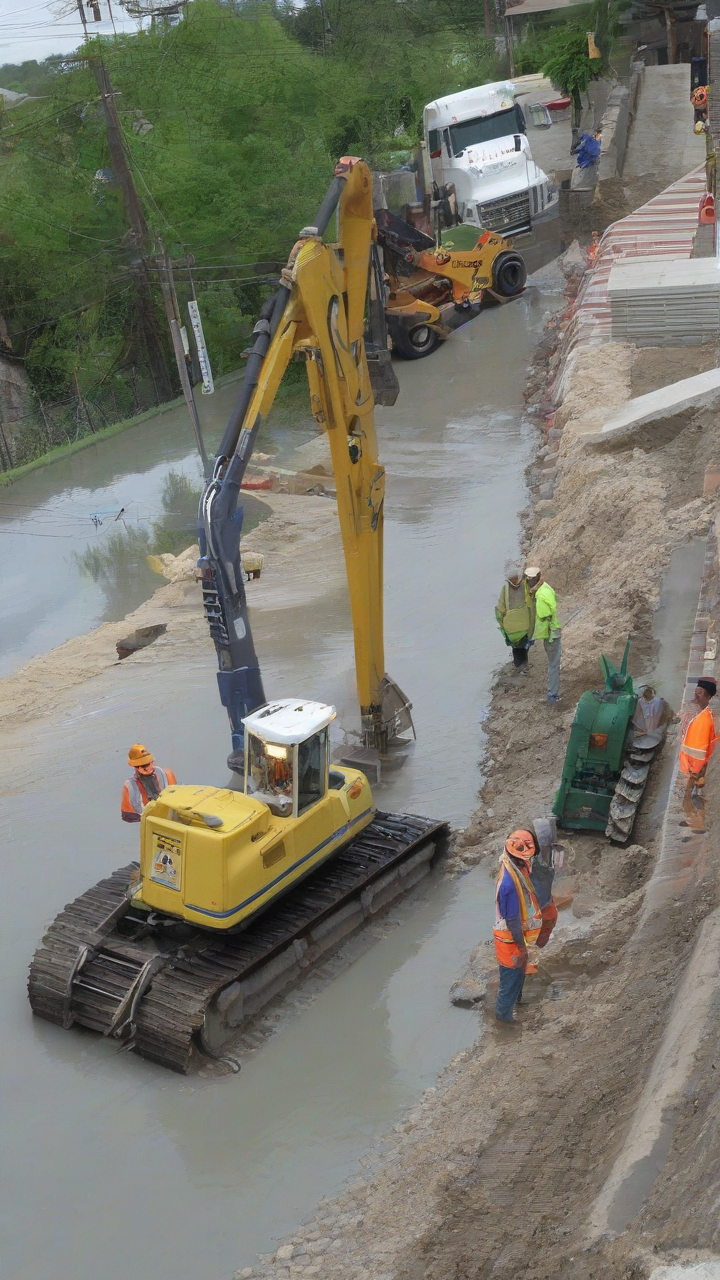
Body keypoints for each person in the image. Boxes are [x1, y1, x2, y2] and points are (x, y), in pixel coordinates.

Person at [493, 830, 543, 1024]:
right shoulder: (509, 884)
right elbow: (513, 920)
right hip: (512, 943)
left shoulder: (515, 867)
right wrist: (522, 948)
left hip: (518, 938)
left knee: (518, 976)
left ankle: (517, 1002)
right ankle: (504, 1020)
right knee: (510, 982)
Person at [679, 677, 719, 833]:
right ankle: (693, 820)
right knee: (689, 796)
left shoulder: (706, 719)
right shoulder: (698, 713)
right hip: (691, 767)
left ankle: (699, 823)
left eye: (700, 694)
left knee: (697, 796)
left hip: (696, 768)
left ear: (708, 697)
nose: (696, 696)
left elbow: (701, 749)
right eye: (696, 692)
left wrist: (695, 772)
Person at [528, 816, 566, 949]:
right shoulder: (550, 861)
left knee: (533, 949)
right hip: (548, 911)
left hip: (540, 915)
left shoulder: (537, 868)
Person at [525, 567, 561, 702]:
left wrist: (533, 637)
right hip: (554, 632)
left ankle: (552, 693)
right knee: (554, 663)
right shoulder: (546, 587)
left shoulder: (540, 596)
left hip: (551, 634)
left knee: (553, 664)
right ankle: (553, 692)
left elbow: (543, 617)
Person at [121, 744, 177, 823]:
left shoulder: (166, 774)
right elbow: (130, 813)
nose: (150, 767)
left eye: (151, 762)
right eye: (145, 765)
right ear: (137, 767)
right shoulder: (130, 784)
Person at [496, 566, 536, 673]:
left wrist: (503, 626)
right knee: (523, 646)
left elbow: (500, 610)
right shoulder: (525, 587)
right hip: (525, 626)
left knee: (517, 648)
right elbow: (531, 606)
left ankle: (520, 666)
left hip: (512, 629)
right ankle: (523, 667)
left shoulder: (505, 590)